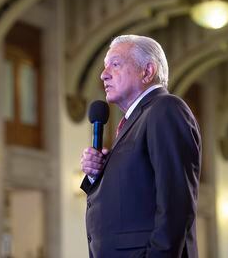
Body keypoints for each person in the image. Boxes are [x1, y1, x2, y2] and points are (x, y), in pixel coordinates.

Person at [80, 35, 201, 258]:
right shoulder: (134, 121)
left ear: (147, 71)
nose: (103, 74)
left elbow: (175, 206)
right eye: (105, 66)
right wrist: (97, 176)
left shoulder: (165, 109)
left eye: (115, 64)